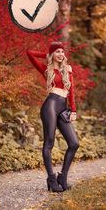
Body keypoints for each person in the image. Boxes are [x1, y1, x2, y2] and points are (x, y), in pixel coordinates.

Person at [26, 42, 79, 192]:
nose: (61, 54)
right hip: (49, 106)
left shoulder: (67, 70)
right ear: (52, 55)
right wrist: (49, 55)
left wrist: (73, 110)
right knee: (49, 143)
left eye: (62, 51)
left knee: (74, 143)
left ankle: (62, 177)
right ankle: (51, 178)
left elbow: (72, 91)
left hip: (63, 108)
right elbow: (30, 53)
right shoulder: (46, 70)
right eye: (57, 52)